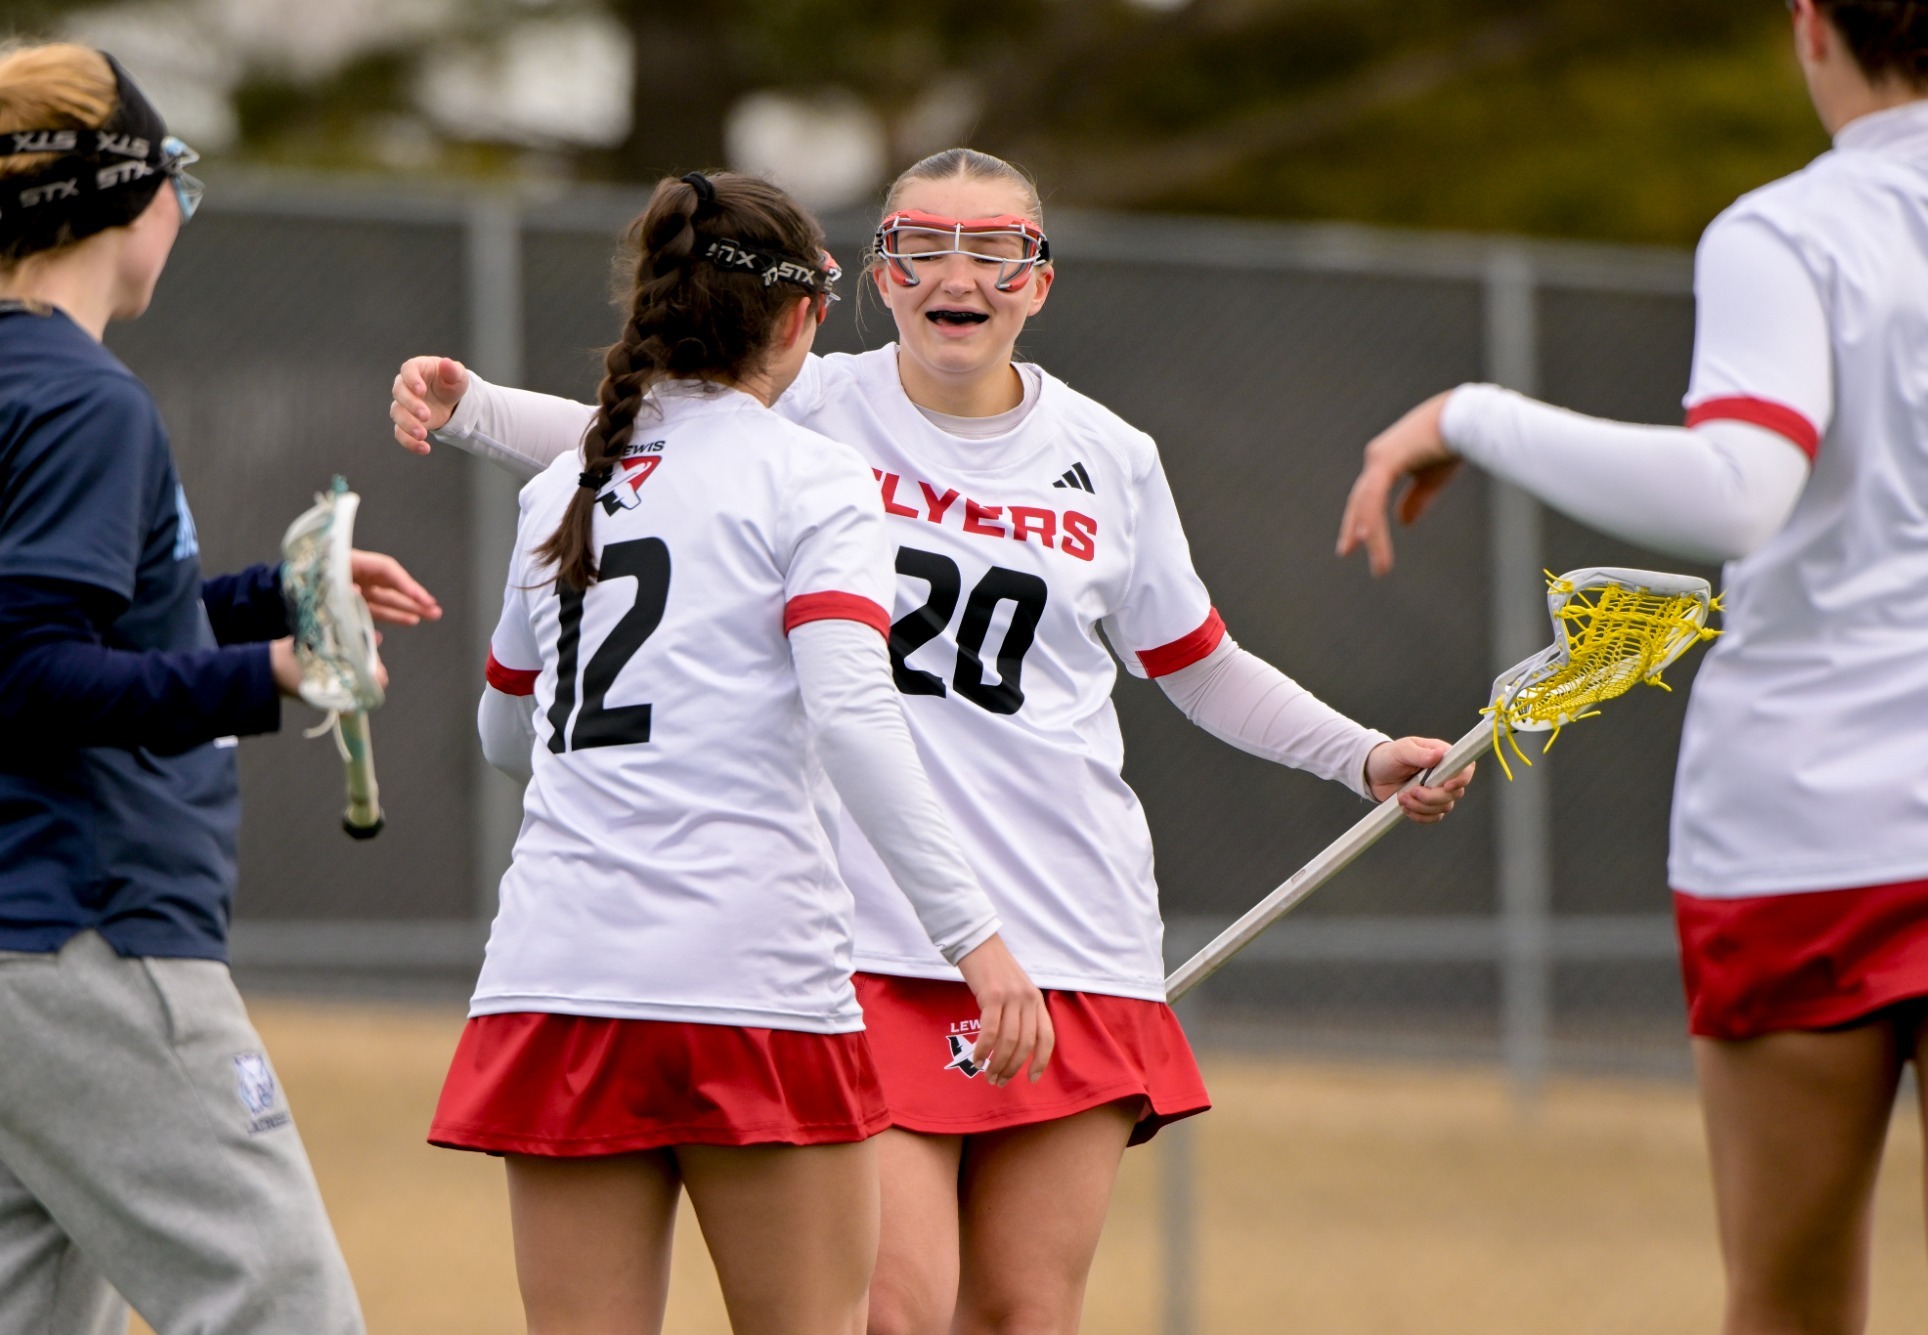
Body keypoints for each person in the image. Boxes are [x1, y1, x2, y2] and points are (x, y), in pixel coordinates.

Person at [394, 149, 1470, 1335]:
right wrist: (476, 412)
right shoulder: (812, 407)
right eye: (921, 245)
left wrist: (1359, 754)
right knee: (894, 1310)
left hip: (1069, 928)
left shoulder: (1110, 457)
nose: (958, 273)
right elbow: (658, 448)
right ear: (874, 277)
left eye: (995, 249)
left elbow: (1196, 663)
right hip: (873, 933)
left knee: (1020, 1312)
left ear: (1039, 281)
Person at [1337, 3, 1928, 1331]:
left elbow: (1738, 493)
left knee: (1791, 1302)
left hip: (1809, 828)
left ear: (1810, 26)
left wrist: (1474, 413)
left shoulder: (1790, 228)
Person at [425, 168, 1051, 1335]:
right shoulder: (812, 476)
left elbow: (505, 730)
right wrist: (979, 940)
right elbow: (856, 719)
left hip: (559, 979)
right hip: (746, 982)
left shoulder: (567, 480)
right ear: (803, 318)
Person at [0, 42, 440, 1335]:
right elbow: (26, 670)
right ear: (129, 197)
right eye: (175, 177)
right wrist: (276, 671)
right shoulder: (85, 400)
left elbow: (68, 609)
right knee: (283, 1310)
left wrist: (258, 599)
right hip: (89, 926)